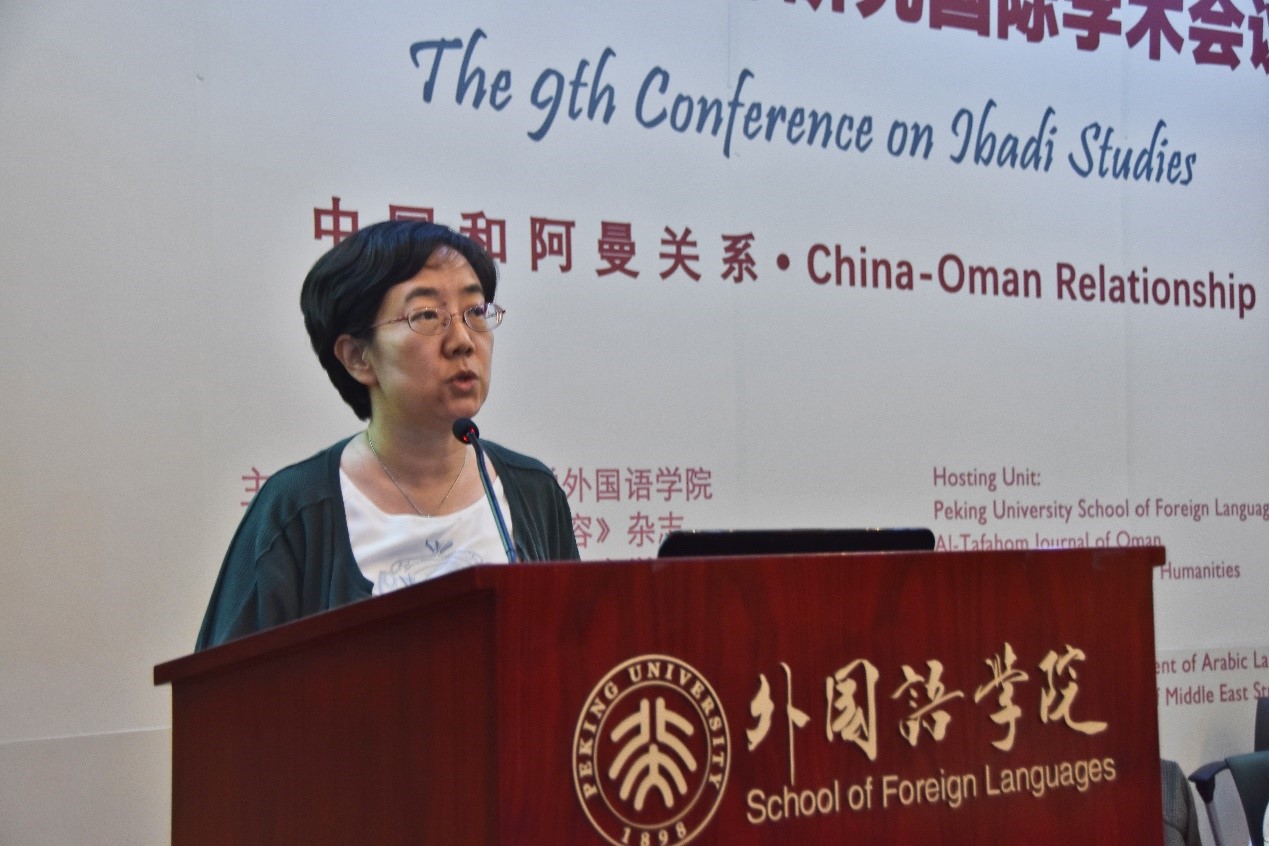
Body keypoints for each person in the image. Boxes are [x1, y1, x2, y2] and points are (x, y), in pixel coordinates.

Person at [196, 220, 579, 650]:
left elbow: (576, 658)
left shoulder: (533, 491)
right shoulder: (296, 510)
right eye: (427, 315)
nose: (462, 341)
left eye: (475, 312)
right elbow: (223, 688)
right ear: (357, 357)